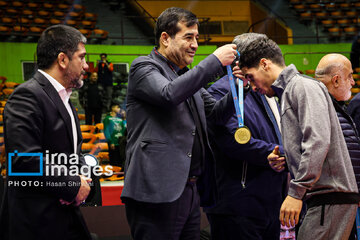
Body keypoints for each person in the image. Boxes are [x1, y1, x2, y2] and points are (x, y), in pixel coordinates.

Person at [121, 7, 238, 240]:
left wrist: (240, 89)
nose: (195, 44)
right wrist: (214, 61)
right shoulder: (143, 67)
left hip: (189, 190)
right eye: (188, 37)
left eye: (196, 38)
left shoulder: (184, 76)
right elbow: (168, 94)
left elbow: (214, 113)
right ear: (165, 38)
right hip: (157, 191)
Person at [240, 35, 359, 240]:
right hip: (324, 198)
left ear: (264, 64)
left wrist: (296, 191)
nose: (252, 86)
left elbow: (318, 141)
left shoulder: (301, 86)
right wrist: (289, 160)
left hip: (329, 197)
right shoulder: (290, 91)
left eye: (250, 77)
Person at [0, 25, 92, 240]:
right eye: (82, 58)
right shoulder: (27, 96)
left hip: (65, 217)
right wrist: (71, 185)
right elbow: (23, 160)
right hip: (36, 222)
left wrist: (82, 179)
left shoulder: (65, 99)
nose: (86, 66)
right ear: (62, 60)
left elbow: (73, 154)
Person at [205, 33, 288, 240]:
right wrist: (281, 153)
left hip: (271, 201)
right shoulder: (220, 91)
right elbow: (232, 140)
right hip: (238, 204)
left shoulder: (267, 90)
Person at [315, 53, 360, 240]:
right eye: (349, 77)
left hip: (345, 200)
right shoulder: (319, 110)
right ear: (335, 80)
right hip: (331, 204)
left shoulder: (338, 108)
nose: (353, 83)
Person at [103, 103, 126, 168]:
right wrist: (110, 141)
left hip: (121, 142)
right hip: (113, 142)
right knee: (114, 161)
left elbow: (123, 130)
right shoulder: (107, 118)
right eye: (117, 107)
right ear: (112, 108)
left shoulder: (120, 119)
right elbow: (106, 131)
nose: (119, 109)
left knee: (120, 160)